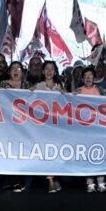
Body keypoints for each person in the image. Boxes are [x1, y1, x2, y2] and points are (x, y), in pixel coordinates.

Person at [29, 61, 65, 193]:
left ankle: (54, 178)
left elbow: (68, 102)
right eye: (47, 69)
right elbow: (24, 96)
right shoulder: (38, 86)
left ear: (55, 72)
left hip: (56, 126)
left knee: (55, 152)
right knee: (46, 152)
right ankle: (51, 181)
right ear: (43, 72)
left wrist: (65, 93)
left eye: (52, 69)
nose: (49, 71)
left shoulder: (60, 87)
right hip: (42, 126)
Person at [75, 66, 106, 193]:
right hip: (84, 129)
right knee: (88, 155)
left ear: (94, 78)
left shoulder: (101, 90)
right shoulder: (77, 91)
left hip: (99, 128)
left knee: (100, 153)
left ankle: (101, 181)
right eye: (86, 76)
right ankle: (90, 182)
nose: (88, 78)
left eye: (90, 76)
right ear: (82, 78)